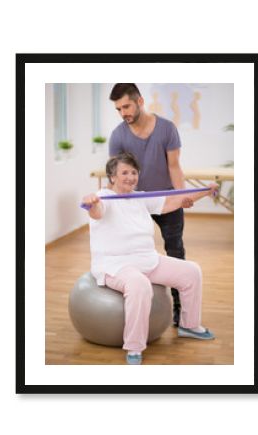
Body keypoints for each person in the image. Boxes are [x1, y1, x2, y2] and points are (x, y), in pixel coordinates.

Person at [82, 152, 217, 365]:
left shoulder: (139, 197)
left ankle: (189, 325)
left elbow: (173, 201)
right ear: (112, 177)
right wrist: (90, 204)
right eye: (124, 172)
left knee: (192, 271)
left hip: (146, 259)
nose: (130, 176)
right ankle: (134, 346)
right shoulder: (103, 197)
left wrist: (206, 192)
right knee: (139, 285)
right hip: (116, 264)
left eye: (134, 172)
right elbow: (97, 212)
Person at [108, 83, 188, 327]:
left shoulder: (166, 129)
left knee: (175, 251)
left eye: (127, 106)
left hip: (165, 199)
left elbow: (174, 166)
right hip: (134, 204)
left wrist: (181, 197)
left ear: (140, 101)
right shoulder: (118, 135)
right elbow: (115, 175)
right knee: (129, 250)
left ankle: (179, 309)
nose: (123, 113)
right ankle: (126, 302)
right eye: (118, 109)